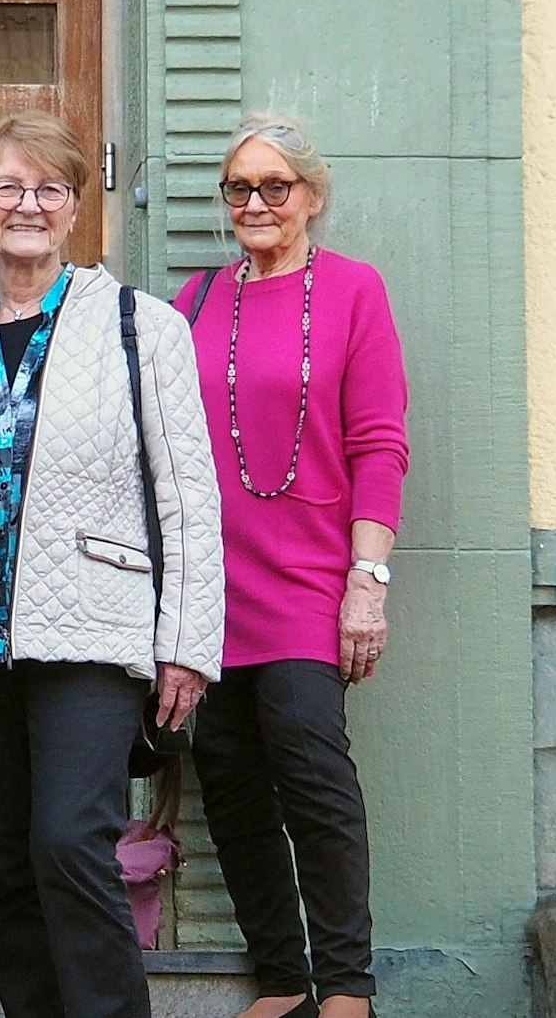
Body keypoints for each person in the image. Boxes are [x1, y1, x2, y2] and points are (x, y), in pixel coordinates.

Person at [0, 109, 225, 1018]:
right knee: (7, 863)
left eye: (48, 188)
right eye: (7, 186)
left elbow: (188, 497)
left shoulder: (141, 326)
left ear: (74, 206)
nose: (27, 205)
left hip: (93, 629)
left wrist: (187, 645)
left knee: (68, 842)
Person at [177, 114, 408, 1018]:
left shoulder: (353, 291)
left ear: (311, 196)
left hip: (314, 577)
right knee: (229, 778)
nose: (257, 203)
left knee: (312, 772)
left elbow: (381, 443)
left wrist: (368, 579)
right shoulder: (194, 299)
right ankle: (282, 978)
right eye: (240, 187)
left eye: (276, 186)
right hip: (211, 585)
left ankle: (347, 983)